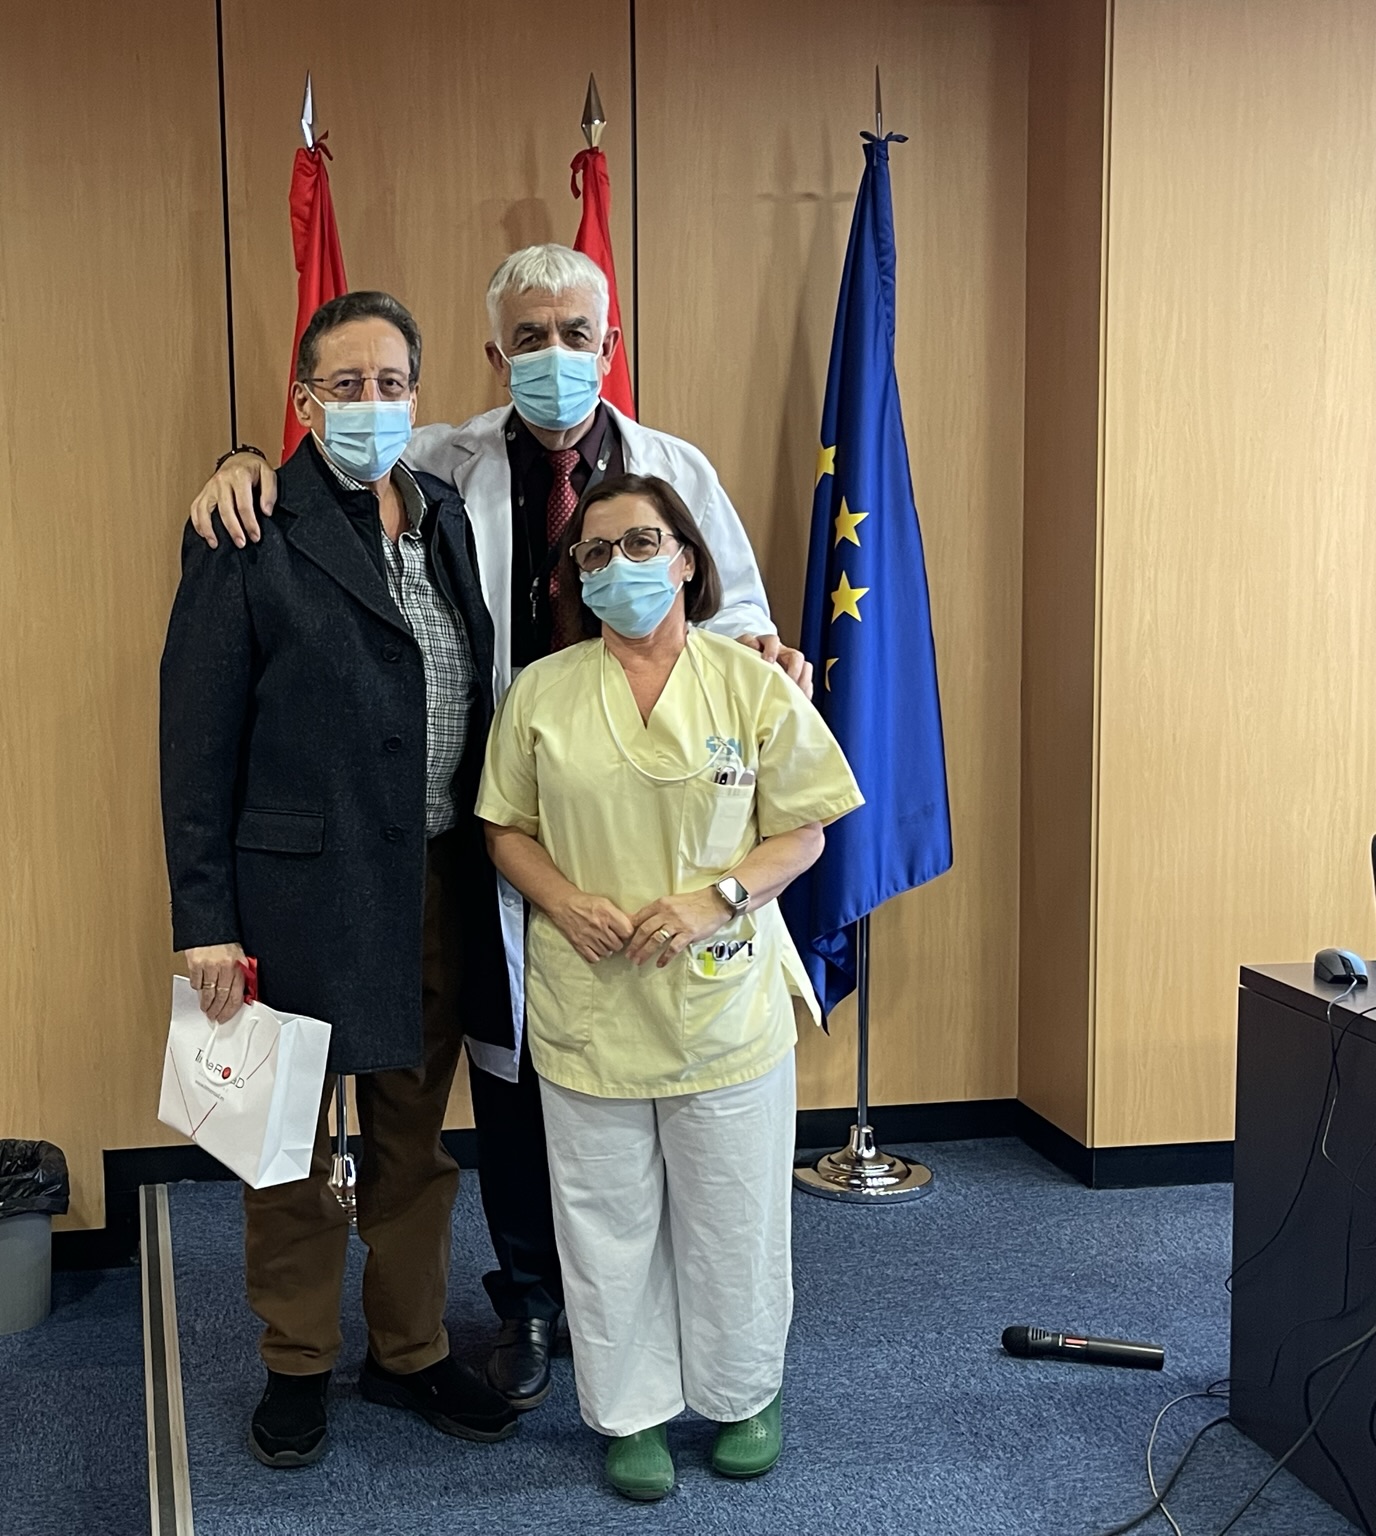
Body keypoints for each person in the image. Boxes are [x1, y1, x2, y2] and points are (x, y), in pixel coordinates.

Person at [187, 245, 813, 1409]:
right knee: (422, 1099)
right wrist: (236, 460)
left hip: (584, 843)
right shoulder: (412, 474)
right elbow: (210, 712)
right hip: (435, 848)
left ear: (609, 345)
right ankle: (447, 1322)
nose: (553, 356)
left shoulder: (654, 473)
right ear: (492, 353)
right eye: (528, 337)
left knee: (461, 1111)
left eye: (575, 334)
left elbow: (734, 625)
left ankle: (519, 1335)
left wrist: (772, 654)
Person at [159, 290, 518, 1469]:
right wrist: (203, 919)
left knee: (414, 1142)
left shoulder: (443, 512)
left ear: (417, 395)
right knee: (283, 1146)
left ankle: (408, 1351)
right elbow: (195, 744)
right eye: (346, 384)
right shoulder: (249, 524)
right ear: (304, 400)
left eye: (391, 383)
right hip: (293, 902)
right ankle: (296, 1362)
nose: (372, 402)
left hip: (432, 883)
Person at [476, 474, 862, 1500]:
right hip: (591, 1000)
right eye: (595, 553)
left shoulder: (750, 683)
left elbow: (805, 830)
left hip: (720, 997)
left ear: (687, 558)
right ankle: (632, 1413)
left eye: (641, 543)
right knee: (606, 1222)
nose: (620, 567)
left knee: (732, 1213)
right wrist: (563, 901)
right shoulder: (541, 693)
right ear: (575, 577)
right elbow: (504, 829)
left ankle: (742, 1395)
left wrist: (715, 900)